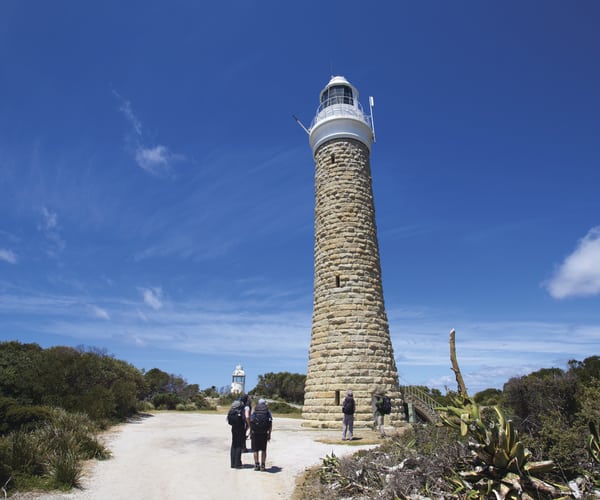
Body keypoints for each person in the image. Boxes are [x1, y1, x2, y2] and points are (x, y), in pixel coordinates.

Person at [250, 398, 272, 471]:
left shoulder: (255, 409)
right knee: (263, 450)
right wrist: (269, 434)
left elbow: (251, 420)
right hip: (264, 433)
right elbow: (270, 422)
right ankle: (263, 465)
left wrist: (251, 430)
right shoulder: (267, 410)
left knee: (255, 449)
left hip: (255, 432)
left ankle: (256, 464)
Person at [227, 400, 246, 468]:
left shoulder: (231, 411)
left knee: (233, 445)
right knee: (239, 446)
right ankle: (237, 463)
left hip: (234, 429)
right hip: (240, 429)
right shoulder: (239, 412)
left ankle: (232, 463)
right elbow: (244, 420)